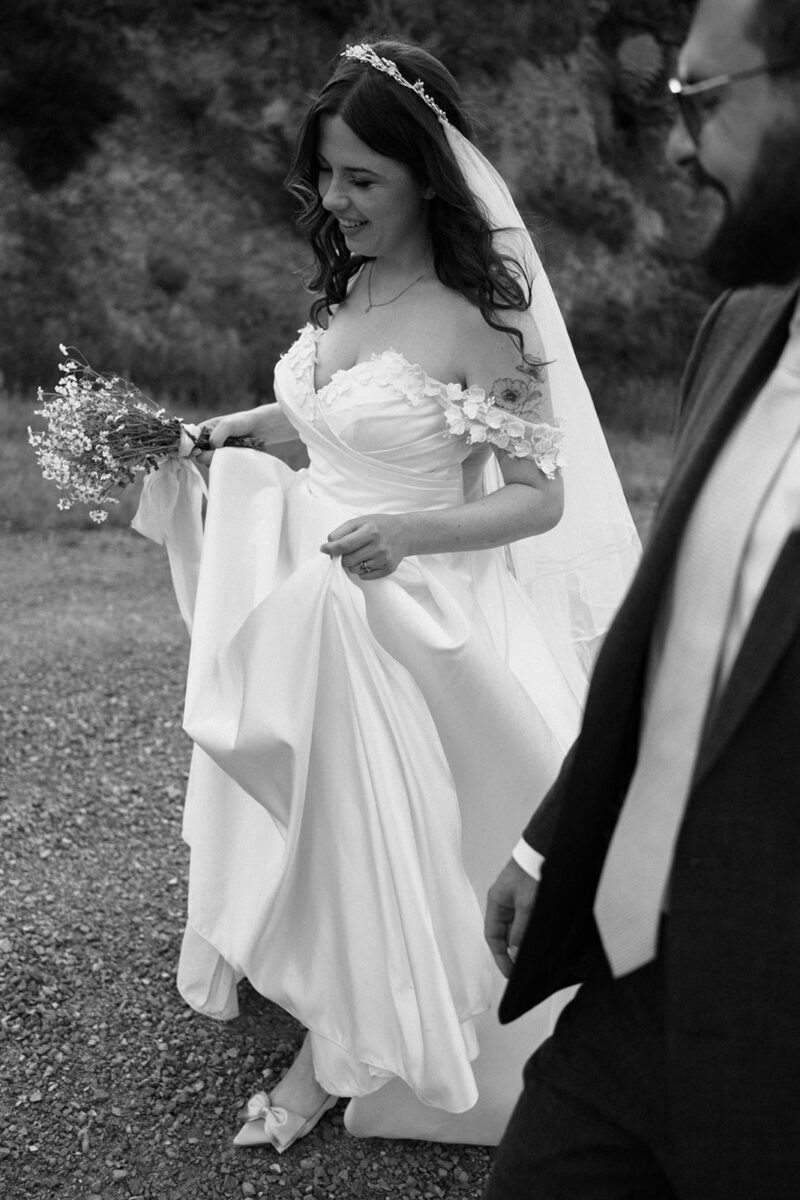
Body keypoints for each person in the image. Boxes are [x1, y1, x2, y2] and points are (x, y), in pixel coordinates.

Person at [133, 40, 638, 1151]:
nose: (334, 199)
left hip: (411, 612)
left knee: (381, 827)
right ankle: (317, 966)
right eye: (324, 173)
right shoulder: (354, 282)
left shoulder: (481, 324)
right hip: (308, 588)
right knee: (308, 802)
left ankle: (342, 1054)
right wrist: (230, 432)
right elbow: (332, 413)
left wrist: (409, 534)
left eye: (361, 176)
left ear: (425, 174)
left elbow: (537, 498)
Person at [483, 0, 800, 1196]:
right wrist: (548, 834)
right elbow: (678, 640)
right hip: (631, 1000)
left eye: (700, 102)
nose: (670, 143)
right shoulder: (737, 327)